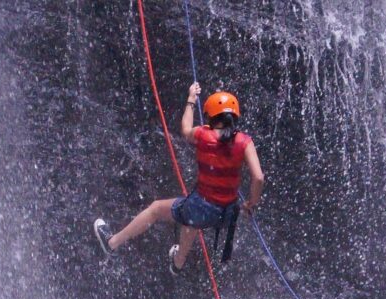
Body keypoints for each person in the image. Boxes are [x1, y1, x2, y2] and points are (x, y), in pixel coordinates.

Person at [93, 82, 265, 274]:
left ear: (211, 116)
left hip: (201, 208)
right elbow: (258, 178)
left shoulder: (203, 135)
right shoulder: (244, 141)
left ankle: (112, 243)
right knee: (190, 217)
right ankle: (178, 263)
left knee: (158, 209)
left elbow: (185, 129)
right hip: (226, 215)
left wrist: (191, 99)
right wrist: (251, 203)